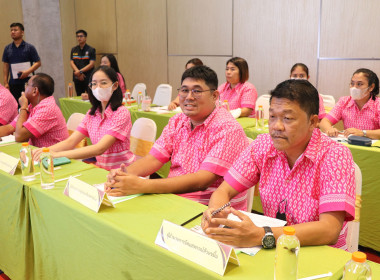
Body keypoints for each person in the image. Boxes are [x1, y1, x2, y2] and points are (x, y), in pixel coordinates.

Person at [202, 79, 355, 250]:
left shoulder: (335, 155)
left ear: (312, 122)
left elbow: (329, 230)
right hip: (274, 248)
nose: (277, 126)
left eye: (288, 118)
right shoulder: (263, 145)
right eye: (273, 116)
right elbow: (224, 190)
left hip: (318, 252)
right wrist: (215, 214)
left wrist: (261, 235)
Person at [105, 65, 250, 210]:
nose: (189, 97)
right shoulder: (177, 121)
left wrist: (142, 185)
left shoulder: (227, 128)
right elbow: (154, 158)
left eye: (197, 91)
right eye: (184, 90)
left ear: (214, 96)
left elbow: (202, 180)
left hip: (210, 208)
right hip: (174, 197)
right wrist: (124, 175)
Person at [33, 66, 135, 171]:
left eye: (103, 83)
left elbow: (100, 148)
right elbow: (71, 141)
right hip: (101, 170)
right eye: (94, 84)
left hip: (123, 171)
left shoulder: (121, 113)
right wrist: (46, 151)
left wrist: (56, 155)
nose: (98, 87)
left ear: (115, 86)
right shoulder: (92, 114)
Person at [0, 73, 68, 147]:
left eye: (27, 84)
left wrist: (23, 107)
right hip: (40, 153)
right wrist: (25, 107)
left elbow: (19, 136)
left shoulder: (47, 109)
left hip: (55, 156)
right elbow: (10, 128)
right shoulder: (33, 106)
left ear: (35, 91)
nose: (25, 87)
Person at [320, 68, 380, 139]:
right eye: (352, 83)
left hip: (372, 147)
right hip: (349, 145)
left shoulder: (378, 104)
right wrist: (329, 129)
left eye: (359, 84)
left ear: (371, 87)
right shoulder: (344, 101)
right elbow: (324, 122)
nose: (354, 87)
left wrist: (363, 133)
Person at [2, 22, 41, 102]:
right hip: (13, 83)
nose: (13, 32)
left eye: (15, 30)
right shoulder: (7, 48)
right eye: (11, 30)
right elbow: (6, 65)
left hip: (28, 83)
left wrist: (28, 72)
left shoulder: (29, 47)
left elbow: (38, 62)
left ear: (22, 32)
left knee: (29, 105)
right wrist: (6, 82)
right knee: (16, 105)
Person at [70, 30, 96, 96]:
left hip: (88, 76)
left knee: (91, 96)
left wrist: (80, 71)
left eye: (81, 36)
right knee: (79, 96)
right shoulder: (74, 49)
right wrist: (78, 72)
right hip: (77, 77)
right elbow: (72, 62)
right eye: (77, 36)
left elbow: (91, 64)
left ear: (85, 37)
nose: (79, 38)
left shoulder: (91, 49)